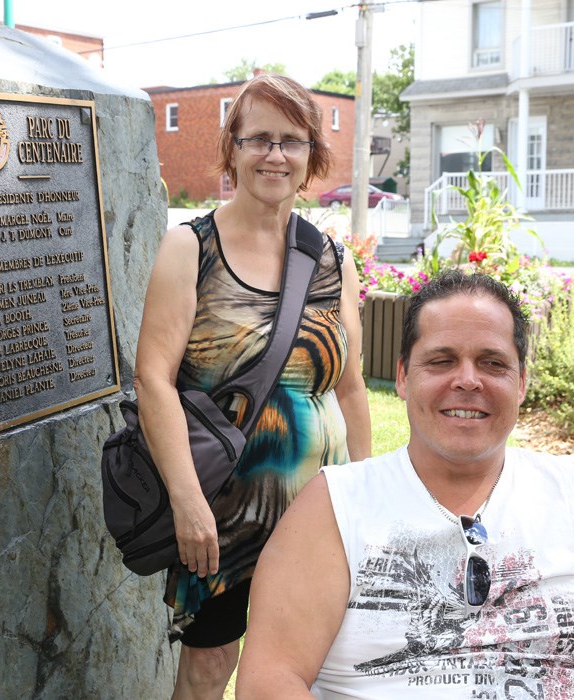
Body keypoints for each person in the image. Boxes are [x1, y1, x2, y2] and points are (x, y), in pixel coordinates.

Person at [237, 270, 574, 699]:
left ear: (522, 383)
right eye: (441, 361)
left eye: (492, 363)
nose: (467, 381)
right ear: (403, 377)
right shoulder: (335, 504)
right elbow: (269, 681)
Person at [133, 73, 371, 700]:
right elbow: (153, 380)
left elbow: (349, 389)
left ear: (311, 155)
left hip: (318, 510)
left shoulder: (333, 261)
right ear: (232, 149)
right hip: (222, 512)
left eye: (291, 141)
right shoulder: (190, 249)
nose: (275, 155)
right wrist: (187, 501)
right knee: (210, 668)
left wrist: (367, 496)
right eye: (259, 139)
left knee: (308, 668)